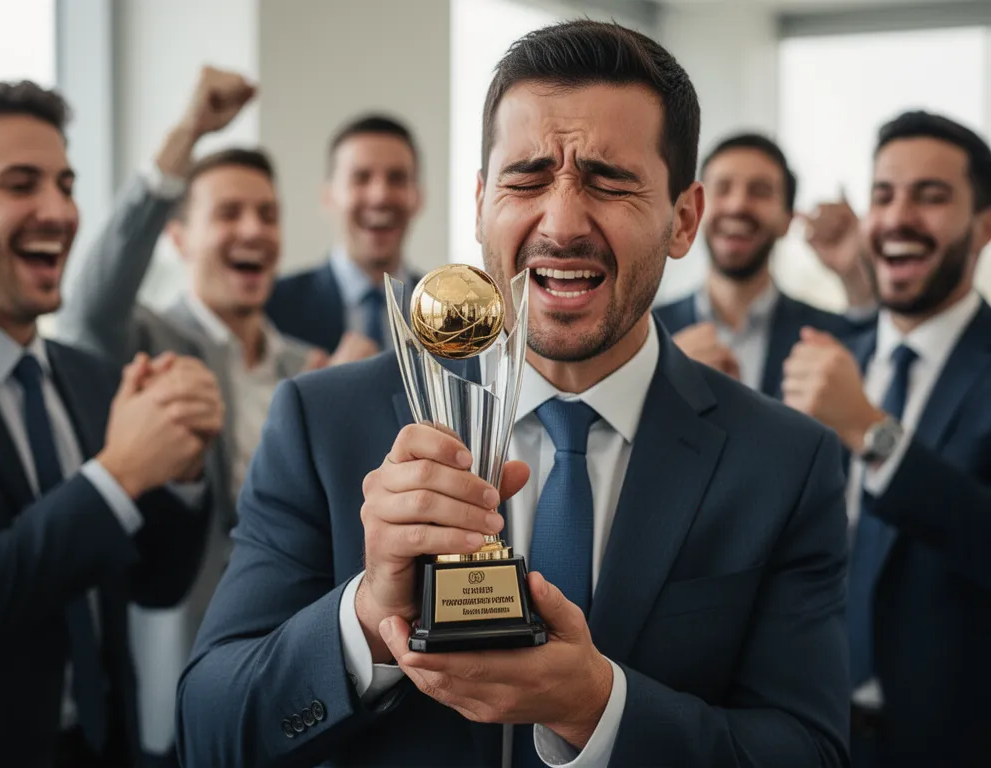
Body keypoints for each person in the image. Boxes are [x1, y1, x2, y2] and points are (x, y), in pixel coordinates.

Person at [177, 21, 850, 767]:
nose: (560, 224)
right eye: (526, 179)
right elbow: (209, 731)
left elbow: (811, 751)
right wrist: (369, 617)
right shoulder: (324, 422)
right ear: (479, 204)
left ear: (683, 219)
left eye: (609, 181)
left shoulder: (787, 464)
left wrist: (594, 708)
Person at [56, 66, 362, 765]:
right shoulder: (141, 339)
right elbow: (92, 299)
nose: (252, 230)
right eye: (227, 213)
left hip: (298, 672)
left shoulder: (309, 369)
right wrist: (188, 133)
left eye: (267, 213)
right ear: (179, 237)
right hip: (177, 669)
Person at [0, 80, 223, 767]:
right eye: (21, 184)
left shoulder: (86, 376)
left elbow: (156, 584)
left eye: (66, 183)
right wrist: (118, 476)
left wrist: (183, 465)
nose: (59, 211)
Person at [782, 110, 991, 767]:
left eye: (930, 197)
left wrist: (872, 434)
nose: (900, 217)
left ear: (984, 226)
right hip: (805, 732)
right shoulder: (825, 357)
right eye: (884, 195)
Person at [655, 133, 874, 396]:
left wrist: (855, 276)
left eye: (760, 192)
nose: (738, 205)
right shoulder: (646, 334)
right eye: (723, 188)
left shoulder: (829, 338)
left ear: (787, 220)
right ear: (694, 210)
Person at [265, 113, 423, 353]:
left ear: (418, 197)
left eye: (397, 179)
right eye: (361, 178)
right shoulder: (273, 307)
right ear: (328, 197)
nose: (380, 195)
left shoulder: (449, 313)